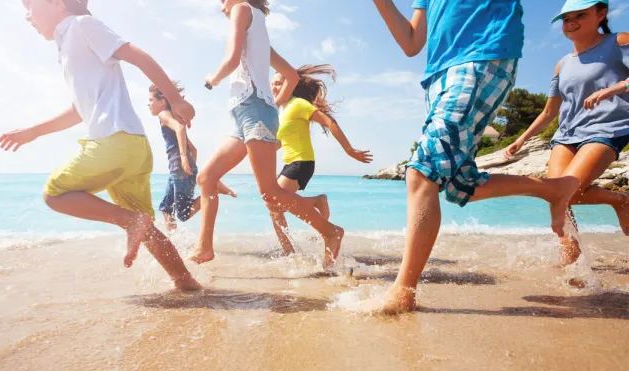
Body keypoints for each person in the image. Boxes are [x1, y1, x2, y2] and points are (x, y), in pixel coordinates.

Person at [372, 0, 581, 313]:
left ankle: (403, 293)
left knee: (422, 171)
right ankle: (551, 189)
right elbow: (411, 42)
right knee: (460, 185)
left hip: (483, 57)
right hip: (438, 76)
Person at [0, 0, 200, 291]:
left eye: (30, 4)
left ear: (57, 3)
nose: (27, 14)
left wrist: (176, 99)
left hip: (112, 143)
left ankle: (130, 222)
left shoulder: (81, 25)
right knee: (145, 227)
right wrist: (34, 131)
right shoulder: (66, 44)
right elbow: (79, 110)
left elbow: (139, 57)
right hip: (133, 148)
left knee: (55, 194)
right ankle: (186, 283)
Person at [189, 0, 345, 269]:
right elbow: (291, 76)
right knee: (206, 177)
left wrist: (211, 80)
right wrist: (274, 105)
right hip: (246, 114)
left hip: (254, 111)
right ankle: (205, 248)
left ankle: (330, 232)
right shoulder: (258, 25)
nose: (222, 7)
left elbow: (232, 58)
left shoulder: (242, 9)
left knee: (270, 194)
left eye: (223, 0)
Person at [505, 0, 629, 264]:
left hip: (607, 129)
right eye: (566, 19)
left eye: (580, 15)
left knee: (565, 191)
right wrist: (521, 139)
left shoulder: (618, 42)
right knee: (556, 195)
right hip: (566, 134)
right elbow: (549, 112)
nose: (571, 23)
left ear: (601, 14)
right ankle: (571, 263)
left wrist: (614, 88)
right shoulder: (562, 64)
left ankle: (619, 201)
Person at [269, 65, 373, 255]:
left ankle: (328, 227)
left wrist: (349, 150)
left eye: (278, 83)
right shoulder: (283, 111)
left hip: (302, 162)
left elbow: (329, 122)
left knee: (275, 199)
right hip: (290, 163)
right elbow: (282, 142)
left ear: (289, 85)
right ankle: (289, 251)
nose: (274, 87)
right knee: (273, 206)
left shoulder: (299, 104)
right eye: (272, 84)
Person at [147, 83, 236, 233]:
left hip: (178, 168)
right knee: (166, 208)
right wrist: (191, 168)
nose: (148, 104)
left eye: (150, 100)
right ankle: (172, 240)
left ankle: (212, 189)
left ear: (162, 102)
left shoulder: (164, 114)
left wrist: (182, 158)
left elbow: (180, 129)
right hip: (177, 169)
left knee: (183, 214)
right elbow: (193, 149)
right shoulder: (170, 115)